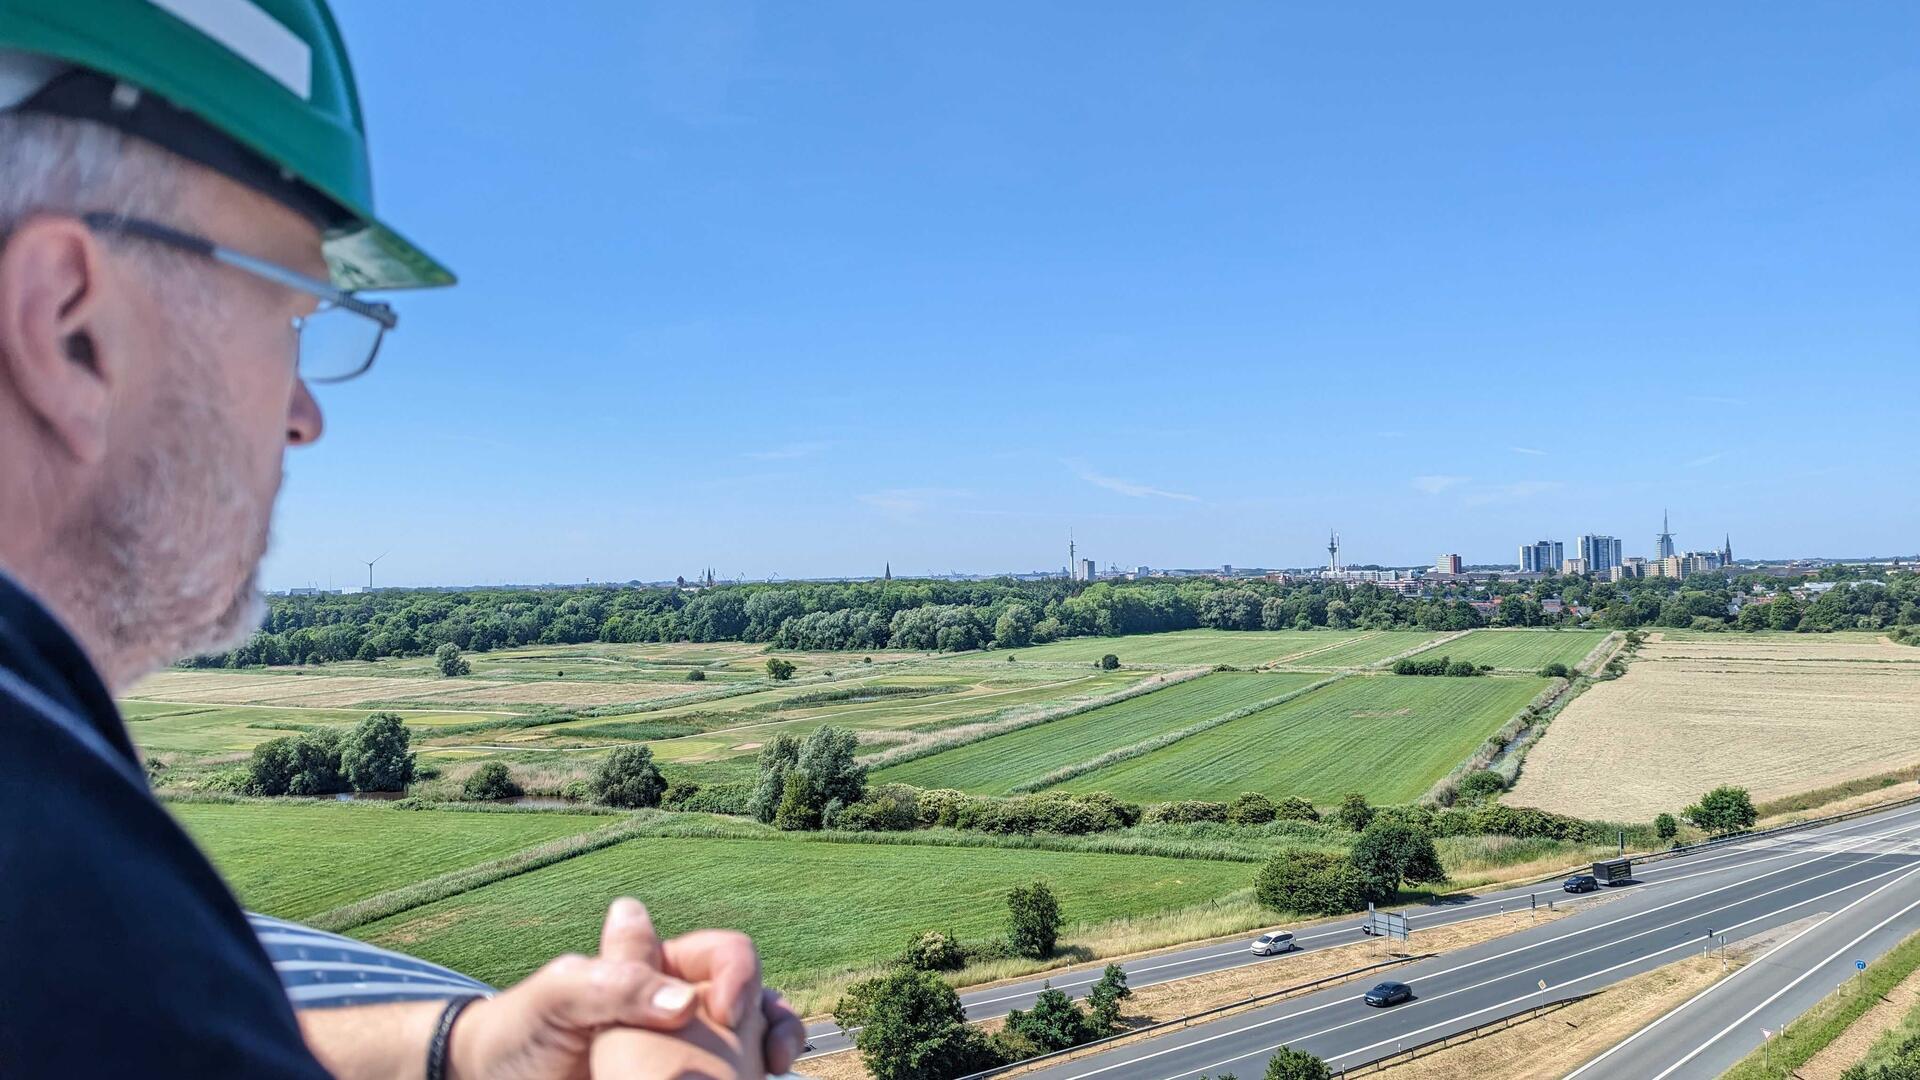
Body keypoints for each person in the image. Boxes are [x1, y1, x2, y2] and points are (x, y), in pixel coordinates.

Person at [0, 1, 803, 1076]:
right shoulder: (37, 848)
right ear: (69, 327)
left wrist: (471, 1052)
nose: (305, 415)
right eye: (292, 315)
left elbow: (135, 1037)